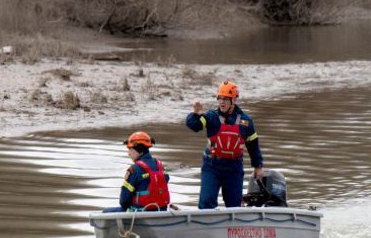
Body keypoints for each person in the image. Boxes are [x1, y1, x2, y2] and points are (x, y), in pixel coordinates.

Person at [185, 81, 264, 209]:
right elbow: (194, 126)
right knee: (206, 203)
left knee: (234, 206)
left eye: (226, 99)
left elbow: (253, 145)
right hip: (212, 167)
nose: (222, 102)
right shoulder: (211, 117)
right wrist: (195, 113)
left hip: (234, 168)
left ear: (234, 100)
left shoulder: (245, 121)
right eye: (219, 98)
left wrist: (258, 166)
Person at [103, 131, 171, 213]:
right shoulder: (160, 166)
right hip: (161, 211)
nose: (129, 154)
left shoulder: (134, 170)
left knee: (106, 212)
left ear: (138, 150)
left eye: (130, 150)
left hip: (139, 214)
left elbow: (123, 201)